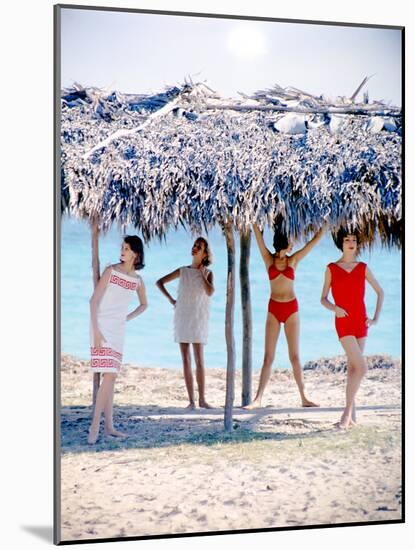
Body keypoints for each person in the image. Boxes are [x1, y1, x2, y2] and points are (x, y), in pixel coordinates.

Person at [244, 223, 324, 409]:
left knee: (294, 356)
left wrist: (323, 229)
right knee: (268, 357)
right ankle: (258, 399)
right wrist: (254, 218)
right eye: (291, 242)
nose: (293, 246)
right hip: (274, 308)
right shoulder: (269, 260)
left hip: (291, 309)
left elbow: (312, 243)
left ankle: (304, 397)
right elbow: (258, 237)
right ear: (284, 243)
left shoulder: (293, 260)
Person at [320, 229, 384, 430]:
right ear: (341, 243)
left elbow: (380, 292)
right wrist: (334, 308)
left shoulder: (363, 267)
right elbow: (323, 298)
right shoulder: (331, 268)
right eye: (347, 239)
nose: (351, 242)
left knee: (353, 369)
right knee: (362, 368)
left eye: (354, 240)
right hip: (343, 322)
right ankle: (346, 414)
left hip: (361, 322)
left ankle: (349, 418)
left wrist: (374, 318)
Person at [88, 236, 148, 444]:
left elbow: (144, 305)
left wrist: (127, 318)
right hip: (102, 326)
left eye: (126, 248)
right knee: (110, 375)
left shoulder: (138, 280)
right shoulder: (111, 271)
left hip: (118, 329)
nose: (122, 251)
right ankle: (95, 426)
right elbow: (93, 301)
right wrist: (96, 331)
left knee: (111, 377)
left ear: (136, 254)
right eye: (121, 247)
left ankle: (109, 427)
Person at [156, 238, 214, 409]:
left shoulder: (208, 273)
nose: (195, 248)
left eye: (199, 247)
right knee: (186, 359)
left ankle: (202, 399)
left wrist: (203, 276)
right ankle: (191, 401)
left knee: (199, 359)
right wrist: (171, 300)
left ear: (204, 254)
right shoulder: (183, 271)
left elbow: (210, 292)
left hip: (198, 318)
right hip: (182, 315)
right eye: (194, 245)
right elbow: (159, 282)